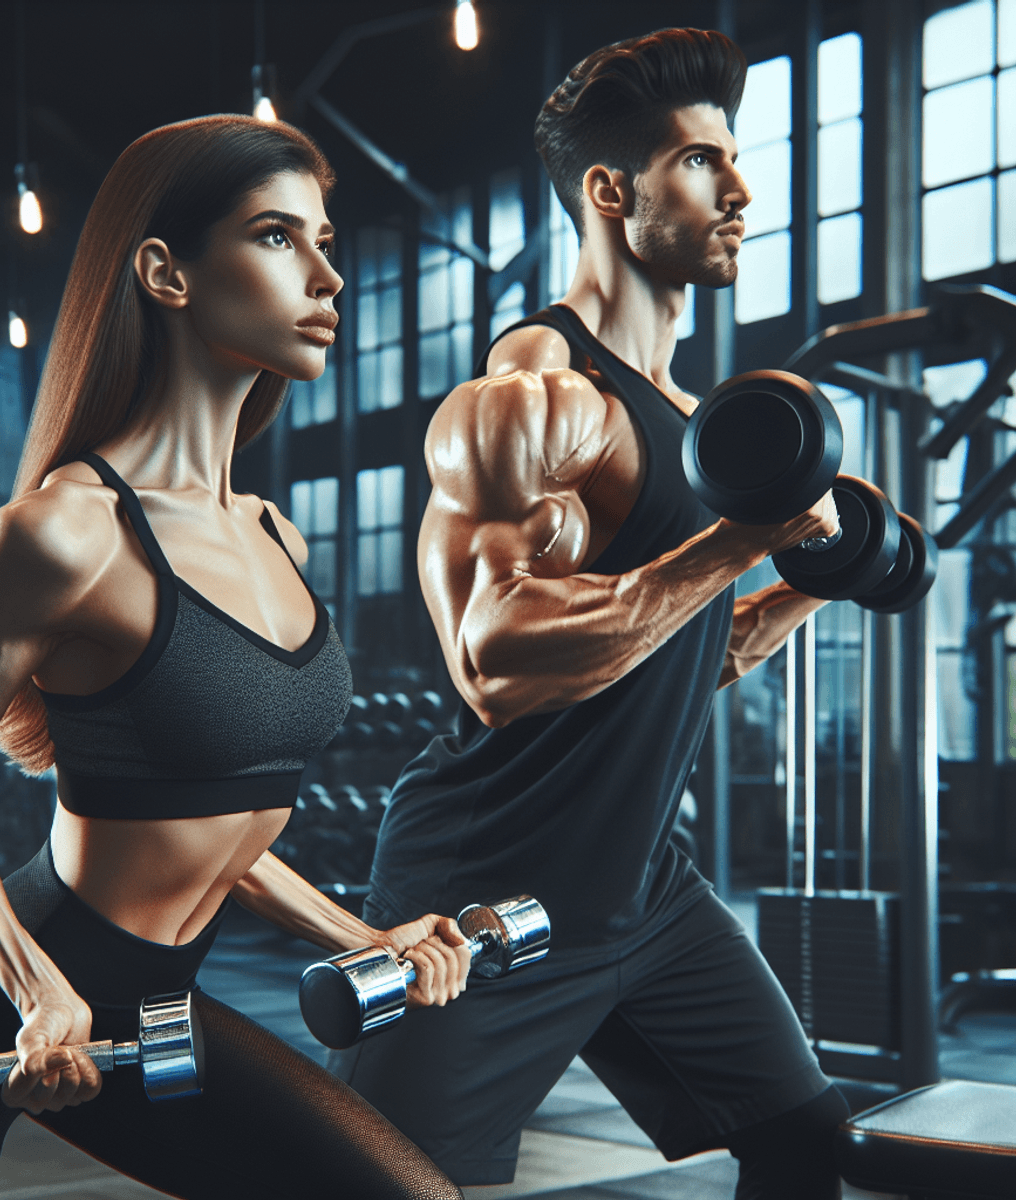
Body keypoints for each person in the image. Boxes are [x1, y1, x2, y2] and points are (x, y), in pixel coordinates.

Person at [0, 115, 470, 1200]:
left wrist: (365, 934)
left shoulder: (275, 538)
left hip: (152, 1004)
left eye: (324, 239)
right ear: (166, 271)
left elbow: (210, 822)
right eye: (276, 238)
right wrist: (34, 989)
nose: (328, 276)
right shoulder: (65, 534)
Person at [328, 28, 850, 1200]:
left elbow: (681, 654)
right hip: (485, 893)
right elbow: (495, 660)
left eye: (737, 160)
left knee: (807, 1141)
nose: (744, 190)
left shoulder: (683, 412)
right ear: (613, 192)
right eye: (705, 163)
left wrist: (808, 582)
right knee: (390, 1186)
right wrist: (740, 541)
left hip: (644, 892)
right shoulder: (536, 393)